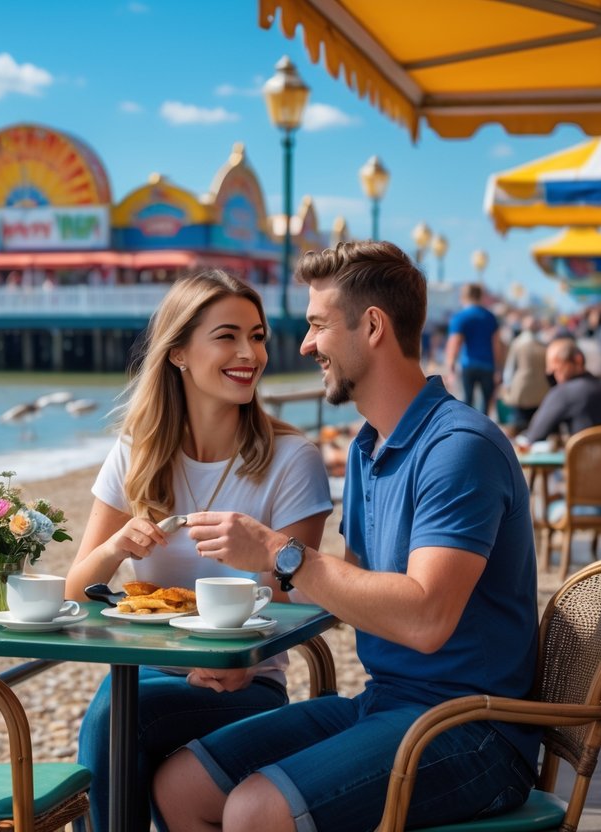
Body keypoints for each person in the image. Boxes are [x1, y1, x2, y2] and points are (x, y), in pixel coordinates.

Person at [153, 241, 540, 831]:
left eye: (317, 325)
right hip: (386, 703)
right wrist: (244, 646)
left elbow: (425, 618)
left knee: (255, 810)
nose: (306, 345)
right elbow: (348, 590)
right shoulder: (367, 447)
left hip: (473, 728)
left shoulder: (459, 448)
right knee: (182, 784)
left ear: (374, 326)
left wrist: (284, 553)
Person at [65, 270, 332, 832]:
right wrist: (117, 545)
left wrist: (248, 650)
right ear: (179, 352)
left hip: (245, 681)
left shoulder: (292, 459)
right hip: (143, 673)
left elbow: (300, 597)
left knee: (114, 720)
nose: (249, 353)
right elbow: (76, 591)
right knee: (117, 715)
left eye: (257, 336)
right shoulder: (135, 452)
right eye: (228, 336)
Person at [515, 337, 601, 448]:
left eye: (557, 369)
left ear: (578, 360)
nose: (555, 377)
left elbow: (534, 435)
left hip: (583, 470)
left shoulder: (563, 393)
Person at [445, 282, 504, 415]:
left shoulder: (460, 317)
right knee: (486, 405)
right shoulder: (490, 317)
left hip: (468, 365)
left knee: (467, 403)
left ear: (464, 297)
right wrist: (498, 367)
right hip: (488, 365)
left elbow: (455, 343)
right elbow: (496, 344)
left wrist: (450, 366)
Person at [499, 314, 550, 434]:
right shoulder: (543, 344)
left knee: (519, 422)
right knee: (536, 421)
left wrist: (507, 385)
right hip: (541, 388)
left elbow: (510, 368)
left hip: (521, 387)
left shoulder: (518, 343)